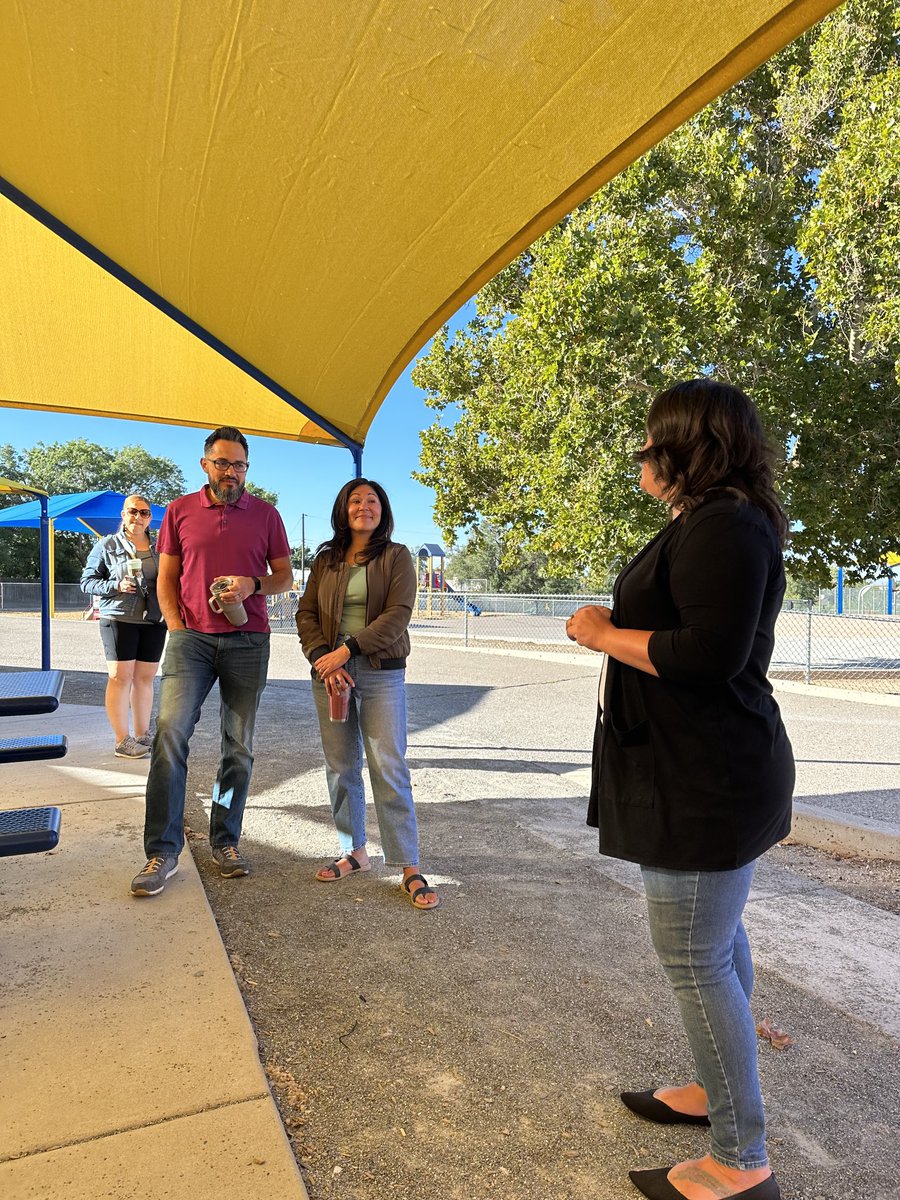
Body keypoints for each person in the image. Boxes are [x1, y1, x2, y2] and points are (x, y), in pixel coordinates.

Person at [566, 379, 793, 1200]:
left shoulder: (725, 525)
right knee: (718, 942)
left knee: (695, 954)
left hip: (707, 780)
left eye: (652, 440)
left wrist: (600, 632)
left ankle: (741, 1159)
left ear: (688, 446)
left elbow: (706, 655)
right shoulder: (711, 521)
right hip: (705, 771)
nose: (640, 455)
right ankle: (715, 1091)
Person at [130, 427, 292, 897]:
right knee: (169, 735)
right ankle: (162, 850)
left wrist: (252, 585)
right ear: (205, 464)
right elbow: (166, 578)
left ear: (247, 469)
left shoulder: (266, 515)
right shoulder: (180, 511)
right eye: (222, 463)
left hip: (248, 641)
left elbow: (283, 577)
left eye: (239, 465)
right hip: (191, 641)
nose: (231, 472)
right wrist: (178, 628)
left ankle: (226, 841)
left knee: (237, 746)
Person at [296, 478, 438, 909]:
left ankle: (408, 865)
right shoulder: (326, 560)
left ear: (383, 510)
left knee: (387, 765)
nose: (364, 506)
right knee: (340, 766)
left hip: (380, 674)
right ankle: (354, 851)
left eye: (372, 500)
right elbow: (305, 613)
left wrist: (345, 651)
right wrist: (325, 657)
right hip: (330, 674)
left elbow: (397, 617)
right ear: (343, 509)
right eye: (355, 500)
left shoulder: (396, 557)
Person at [80, 494, 166, 758]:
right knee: (120, 678)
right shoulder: (108, 545)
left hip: (153, 619)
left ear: (150, 518)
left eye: (144, 513)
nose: (138, 517)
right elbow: (87, 582)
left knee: (145, 679)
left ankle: (142, 736)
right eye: (133, 511)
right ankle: (122, 740)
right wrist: (115, 585)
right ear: (123, 514)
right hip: (118, 618)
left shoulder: (160, 547)